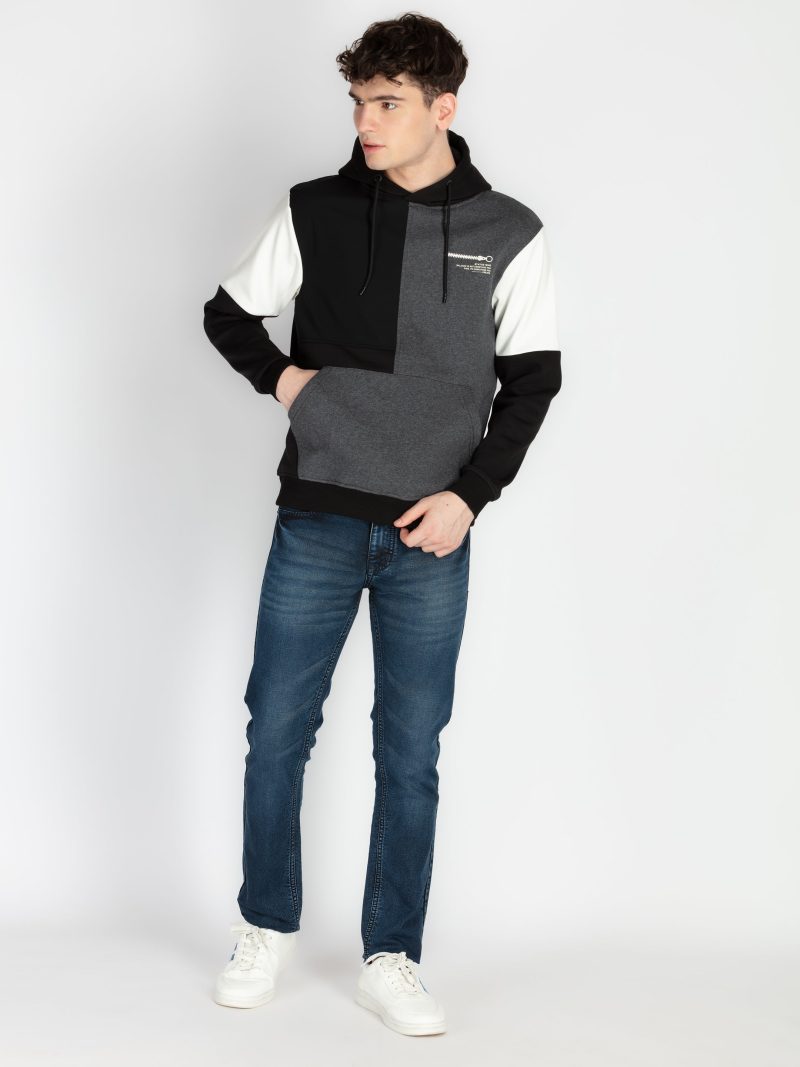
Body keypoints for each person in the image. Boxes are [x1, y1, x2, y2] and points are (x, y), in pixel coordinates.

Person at [202, 12, 562, 1038]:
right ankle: (265, 925)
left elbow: (533, 382)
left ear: (443, 107)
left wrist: (468, 496)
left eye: (388, 103)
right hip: (317, 516)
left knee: (409, 751)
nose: (365, 121)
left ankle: (390, 954)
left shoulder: (508, 231)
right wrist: (288, 382)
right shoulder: (313, 209)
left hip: (430, 533)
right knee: (276, 728)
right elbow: (228, 312)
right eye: (359, 101)